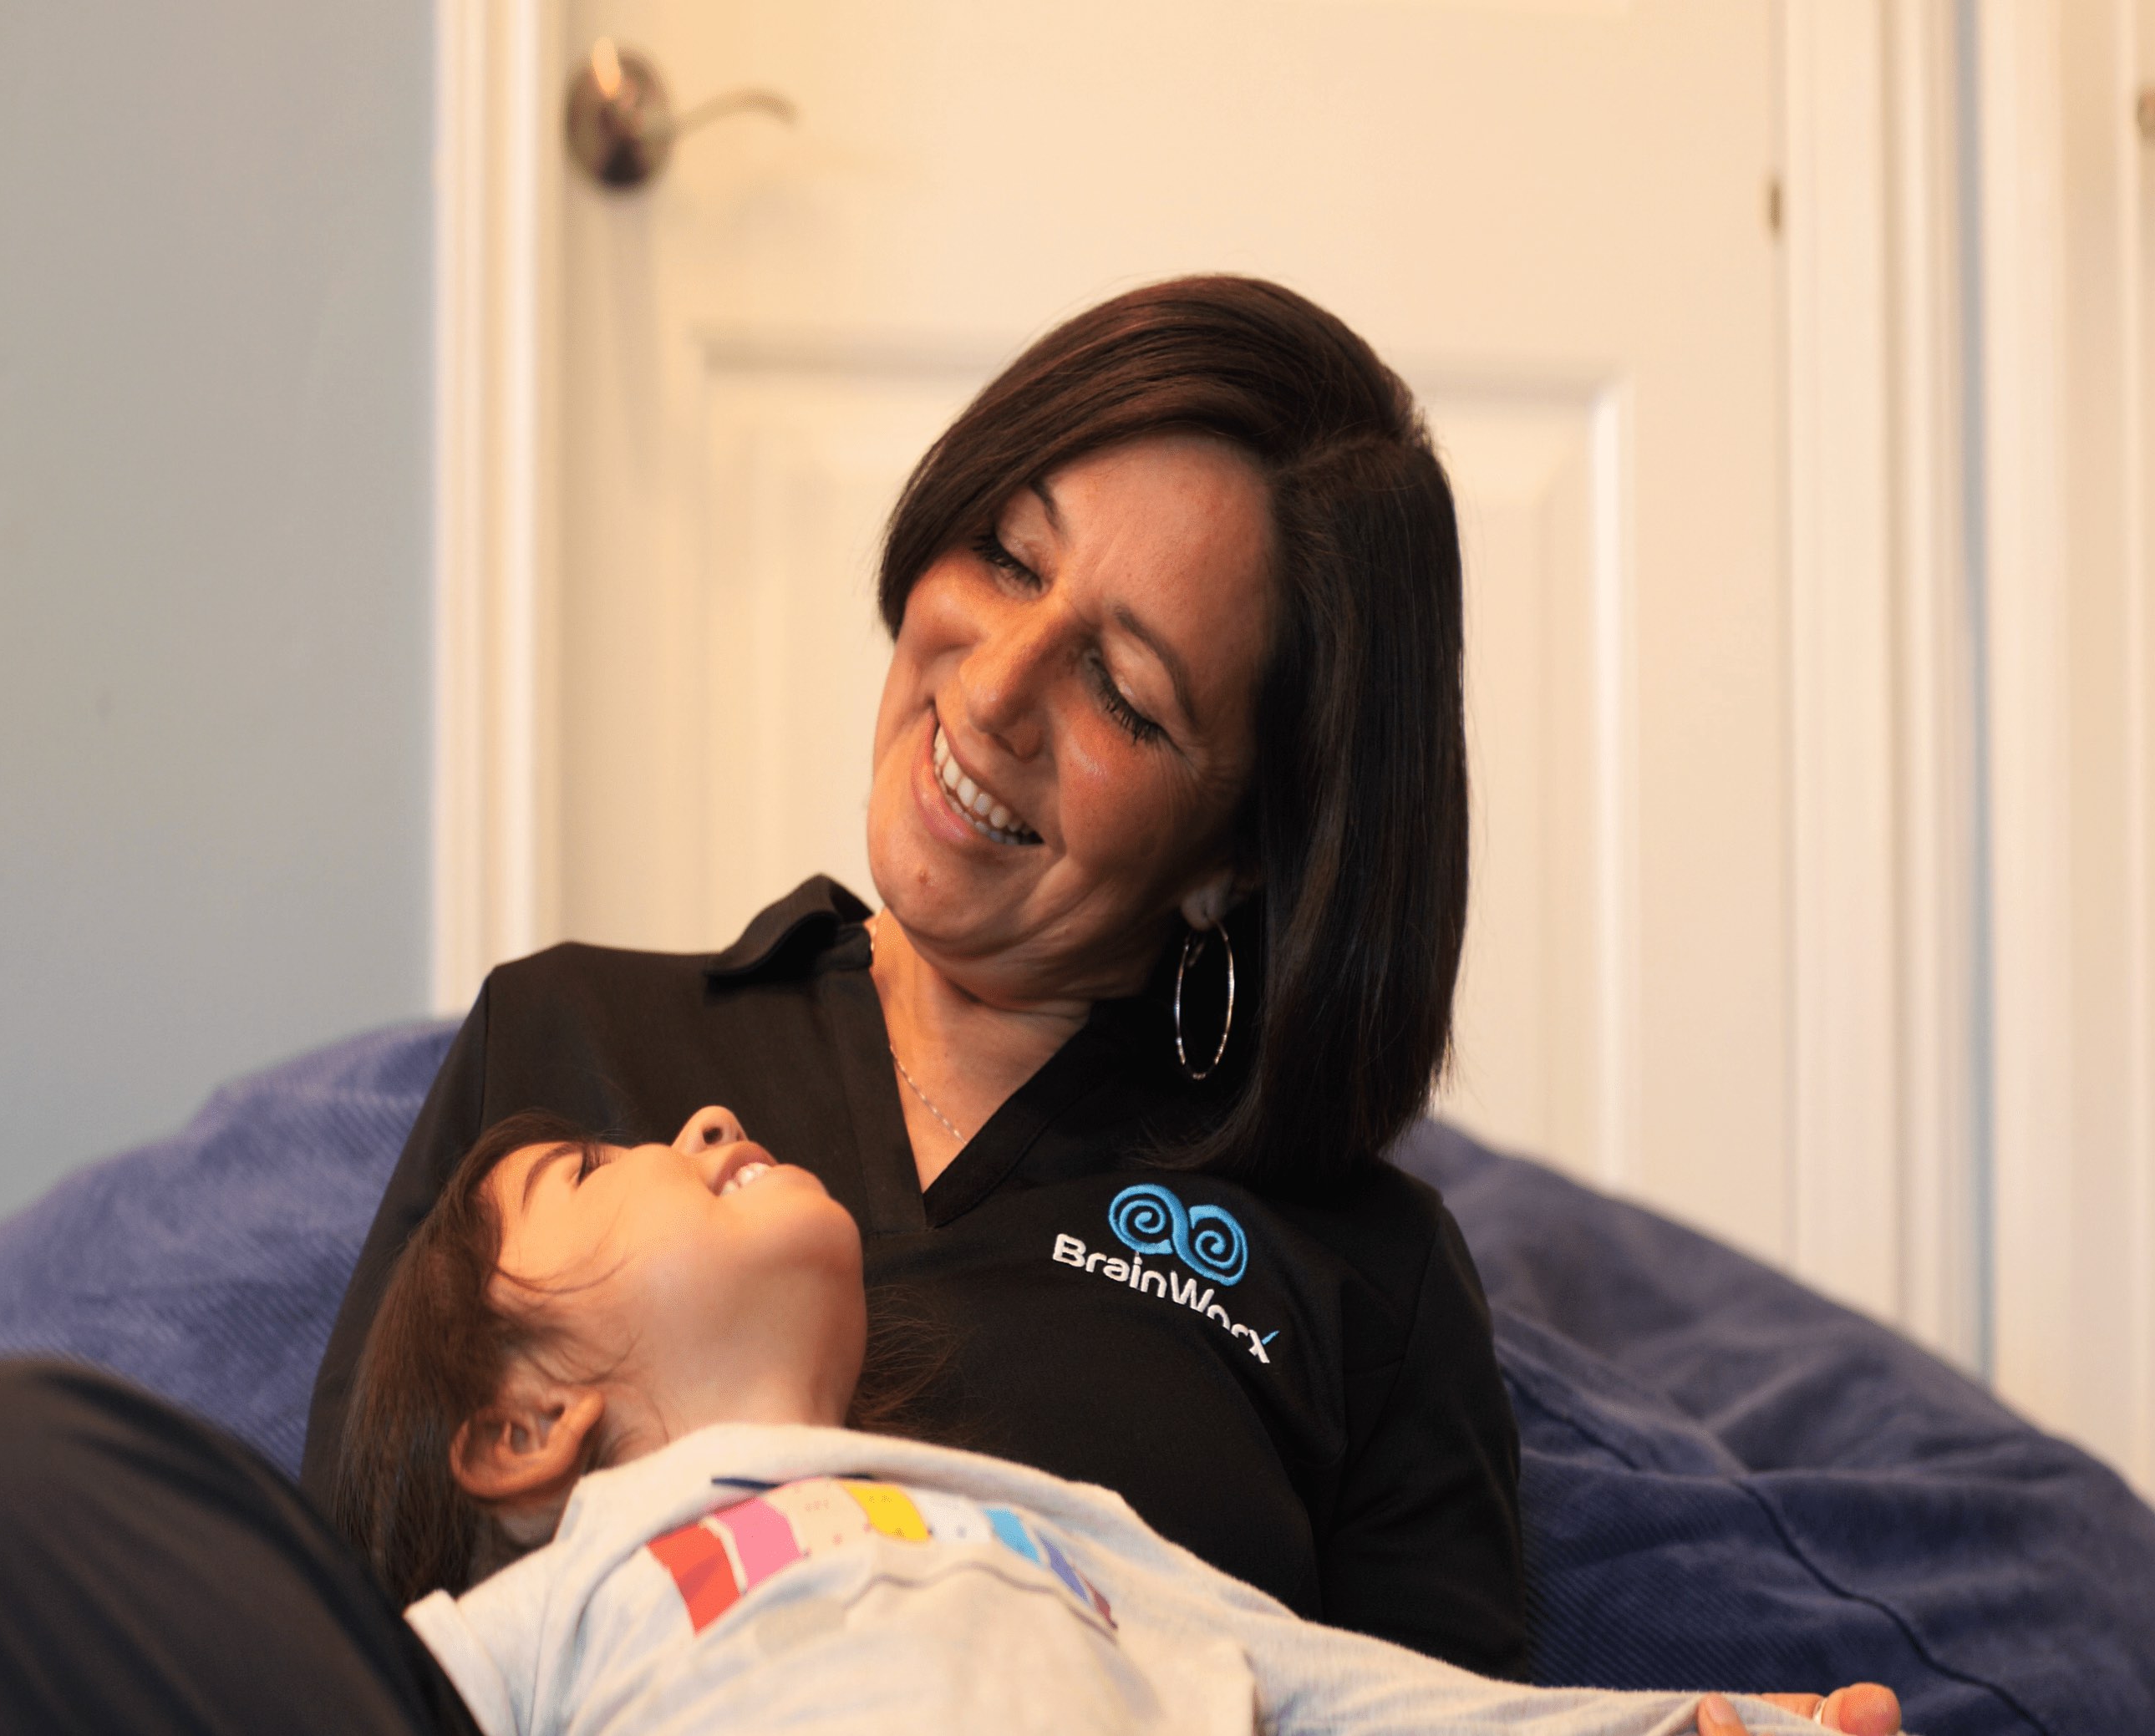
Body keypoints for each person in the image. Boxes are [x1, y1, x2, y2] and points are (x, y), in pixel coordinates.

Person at [306, 274, 1532, 1677]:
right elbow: (337, 1638)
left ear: (1244, 854)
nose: (996, 687)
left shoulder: (1360, 1276)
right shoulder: (567, 1036)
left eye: (1124, 694)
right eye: (1009, 558)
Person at [0, 1107, 1892, 1734]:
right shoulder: (579, 1591)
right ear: (524, 1423)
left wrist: (1710, 1725)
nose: (708, 1116)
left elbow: (1371, 1702)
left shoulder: (1069, 1528)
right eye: (597, 1166)